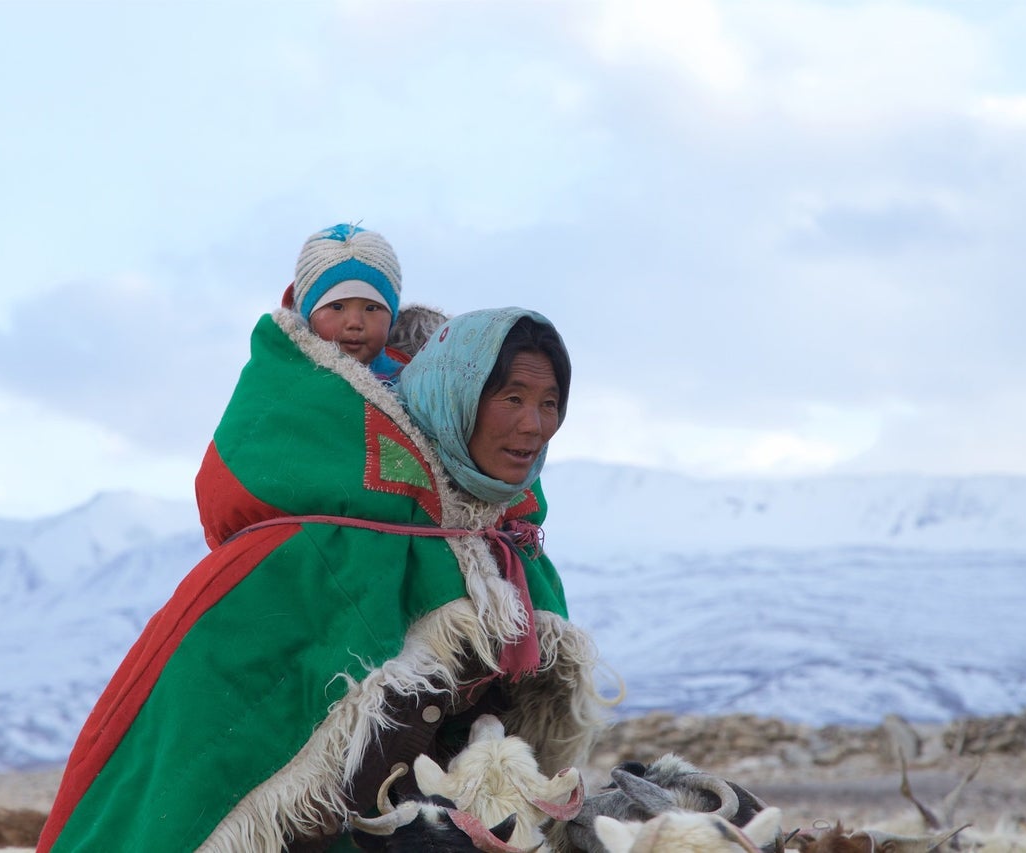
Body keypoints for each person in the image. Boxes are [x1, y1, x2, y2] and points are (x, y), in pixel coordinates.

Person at [36, 306, 606, 852]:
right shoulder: (323, 544)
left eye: (550, 403)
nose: (534, 426)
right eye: (512, 398)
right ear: (454, 397)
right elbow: (220, 729)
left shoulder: (508, 550)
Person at [282, 222, 410, 383]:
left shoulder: (412, 386)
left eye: (371, 308)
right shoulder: (279, 378)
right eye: (337, 306)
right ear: (307, 315)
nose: (355, 323)